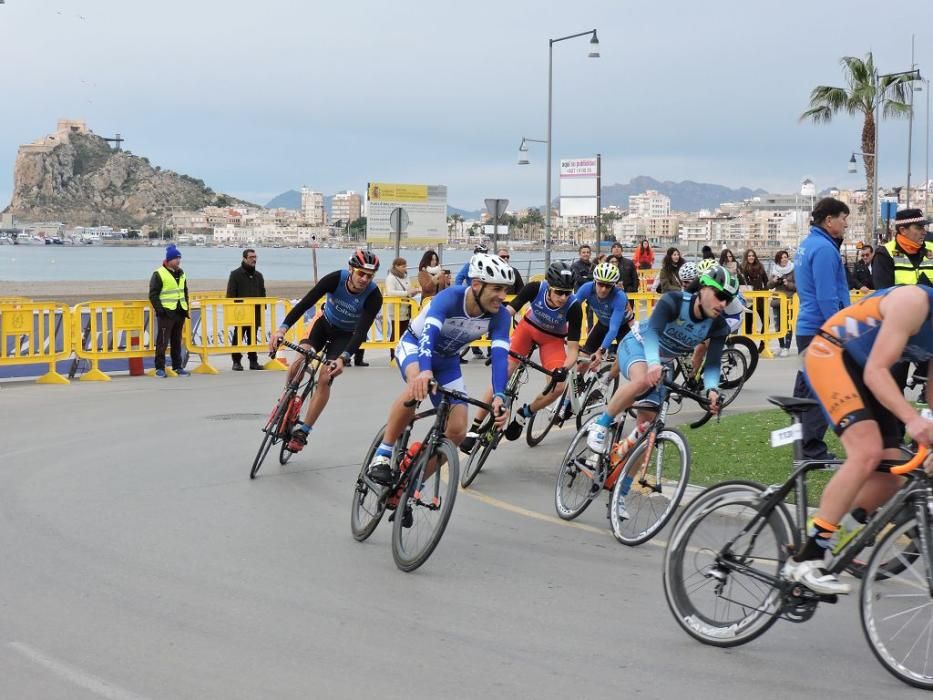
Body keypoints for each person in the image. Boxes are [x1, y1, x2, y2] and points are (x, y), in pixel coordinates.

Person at [783, 284, 933, 594]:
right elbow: (876, 372)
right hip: (832, 352)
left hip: (866, 367)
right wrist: (912, 419)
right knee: (866, 451)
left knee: (893, 474)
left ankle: (827, 534)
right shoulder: (914, 301)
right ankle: (806, 560)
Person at [585, 267, 734, 518]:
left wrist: (711, 391)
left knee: (648, 430)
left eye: (728, 299)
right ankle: (600, 426)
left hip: (661, 362)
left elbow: (712, 364)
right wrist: (654, 363)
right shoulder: (675, 301)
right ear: (703, 288)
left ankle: (619, 494)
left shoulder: (718, 326)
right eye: (719, 295)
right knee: (643, 379)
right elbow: (652, 331)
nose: (723, 303)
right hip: (637, 345)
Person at [366, 253, 514, 487]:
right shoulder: (450, 298)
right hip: (415, 346)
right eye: (497, 289)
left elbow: (499, 358)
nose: (502, 296)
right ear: (477, 285)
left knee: (457, 430)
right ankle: (383, 455)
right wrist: (424, 372)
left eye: (505, 290)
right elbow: (428, 336)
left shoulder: (500, 316)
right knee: (417, 385)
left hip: (447, 362)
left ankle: (411, 484)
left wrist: (499, 395)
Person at [269, 251, 383, 453]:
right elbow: (305, 304)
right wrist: (281, 329)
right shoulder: (335, 279)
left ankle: (303, 431)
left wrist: (343, 358)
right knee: (301, 356)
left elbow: (361, 331)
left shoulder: (374, 296)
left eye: (369, 276)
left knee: (324, 376)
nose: (364, 279)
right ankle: (287, 397)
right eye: (361, 273)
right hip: (323, 324)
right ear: (351, 270)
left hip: (345, 336)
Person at [463, 261, 583, 450]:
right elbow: (508, 311)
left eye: (567, 293)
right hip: (526, 330)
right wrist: (495, 336)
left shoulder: (574, 307)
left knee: (559, 387)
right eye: (559, 292)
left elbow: (574, 349)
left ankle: (524, 414)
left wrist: (564, 369)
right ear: (549, 287)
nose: (563, 297)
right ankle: (475, 427)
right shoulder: (535, 288)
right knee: (506, 370)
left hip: (552, 340)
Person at [793, 196, 852, 460]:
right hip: (821, 327)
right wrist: (838, 329)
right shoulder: (825, 249)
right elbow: (827, 296)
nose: (846, 225)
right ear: (829, 220)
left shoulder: (808, 245)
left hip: (808, 326)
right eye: (843, 219)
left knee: (807, 387)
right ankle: (811, 448)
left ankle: (801, 441)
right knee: (821, 388)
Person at [572, 262, 632, 373]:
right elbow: (571, 307)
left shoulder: (619, 297)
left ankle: (607, 380)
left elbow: (614, 329)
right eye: (600, 284)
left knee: (624, 361)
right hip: (603, 324)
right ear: (595, 281)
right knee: (583, 359)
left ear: (614, 285)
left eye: (608, 286)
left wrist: (601, 351)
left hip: (623, 327)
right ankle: (581, 385)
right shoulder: (587, 288)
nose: (604, 289)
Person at [148, 244, 191, 378]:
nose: (178, 261)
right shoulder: (159, 273)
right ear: (169, 260)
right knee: (162, 342)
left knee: (176, 341)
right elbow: (153, 294)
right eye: (176, 258)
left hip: (179, 312)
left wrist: (186, 306)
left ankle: (177, 367)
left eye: (179, 258)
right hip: (166, 313)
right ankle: (159, 368)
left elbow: (184, 291)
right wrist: (160, 310)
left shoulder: (181, 273)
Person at [226, 248, 266, 371]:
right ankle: (236, 361)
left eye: (255, 257)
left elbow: (262, 293)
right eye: (251, 257)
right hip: (240, 313)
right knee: (238, 336)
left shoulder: (258, 276)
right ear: (244, 258)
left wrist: (263, 308)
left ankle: (253, 361)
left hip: (255, 312)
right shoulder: (235, 274)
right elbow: (231, 294)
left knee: (253, 337)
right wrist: (233, 310)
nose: (254, 259)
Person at [872, 208, 933, 289]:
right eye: (919, 228)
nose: (924, 232)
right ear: (903, 230)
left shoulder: (931, 248)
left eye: (923, 227)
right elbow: (883, 293)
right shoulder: (884, 254)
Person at [456, 244, 490, 359]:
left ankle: (486, 350)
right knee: (473, 325)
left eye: (485, 253)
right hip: (473, 298)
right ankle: (475, 349)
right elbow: (459, 278)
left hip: (484, 299)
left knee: (485, 324)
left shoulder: (487, 265)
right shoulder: (469, 265)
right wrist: (461, 292)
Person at [384, 257, 413, 362]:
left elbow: (409, 288)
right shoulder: (391, 278)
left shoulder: (406, 276)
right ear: (396, 266)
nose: (405, 268)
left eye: (405, 266)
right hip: (394, 310)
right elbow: (391, 292)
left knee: (403, 333)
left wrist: (411, 291)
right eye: (403, 266)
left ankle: (400, 354)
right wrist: (407, 293)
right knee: (395, 333)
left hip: (405, 309)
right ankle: (393, 356)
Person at [768, 250, 796, 357]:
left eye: (785, 257)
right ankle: (781, 345)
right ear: (778, 260)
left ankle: (787, 347)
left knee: (787, 324)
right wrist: (774, 281)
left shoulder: (793, 269)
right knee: (778, 324)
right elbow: (769, 286)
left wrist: (787, 283)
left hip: (788, 301)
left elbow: (797, 286)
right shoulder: (775, 270)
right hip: (777, 301)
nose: (784, 259)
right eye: (781, 257)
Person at [739, 248, 768, 345]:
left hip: (760, 298)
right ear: (746, 257)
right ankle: (749, 345)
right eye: (749, 256)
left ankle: (763, 344)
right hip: (749, 299)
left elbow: (766, 282)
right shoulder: (743, 269)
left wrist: (765, 291)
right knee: (748, 323)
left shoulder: (760, 267)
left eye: (753, 255)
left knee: (766, 320)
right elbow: (742, 283)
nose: (751, 257)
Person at [572, 244, 595, 330]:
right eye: (583, 252)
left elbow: (596, 279)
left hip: (592, 294)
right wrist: (590, 279)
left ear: (590, 254)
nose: (586, 254)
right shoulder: (575, 266)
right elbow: (578, 279)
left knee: (590, 314)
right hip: (579, 293)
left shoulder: (594, 265)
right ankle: (576, 333)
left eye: (588, 252)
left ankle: (590, 332)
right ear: (580, 254)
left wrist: (586, 278)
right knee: (577, 314)